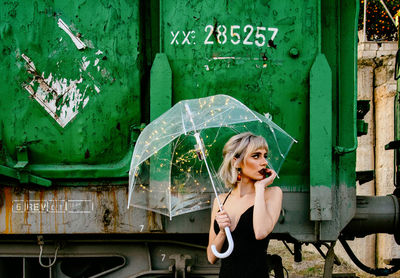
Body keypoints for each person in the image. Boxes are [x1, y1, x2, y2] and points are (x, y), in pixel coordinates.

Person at [207, 132, 283, 277]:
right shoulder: (220, 201)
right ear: (236, 162)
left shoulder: (272, 194)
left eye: (265, 156)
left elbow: (260, 232)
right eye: (256, 156)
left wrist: (260, 187)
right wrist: (222, 232)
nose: (264, 162)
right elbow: (211, 257)